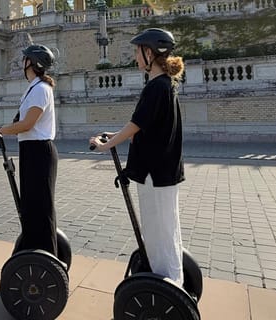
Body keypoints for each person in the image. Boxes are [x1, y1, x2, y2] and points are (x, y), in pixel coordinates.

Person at [88, 28, 186, 288]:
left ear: (150, 53)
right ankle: (171, 282)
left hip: (156, 173)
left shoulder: (157, 87)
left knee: (158, 234)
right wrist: (115, 135)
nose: (135, 56)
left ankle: (168, 288)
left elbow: (135, 125)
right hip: (162, 171)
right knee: (165, 230)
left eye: (137, 51)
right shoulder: (164, 85)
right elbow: (144, 128)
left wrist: (105, 145)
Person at [0, 44, 60, 256]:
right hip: (30, 149)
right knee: (31, 206)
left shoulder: (41, 89)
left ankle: (44, 255)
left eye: (24, 59)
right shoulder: (33, 88)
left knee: (40, 207)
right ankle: (35, 249)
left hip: (39, 151)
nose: (21, 62)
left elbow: (27, 124)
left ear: (31, 63)